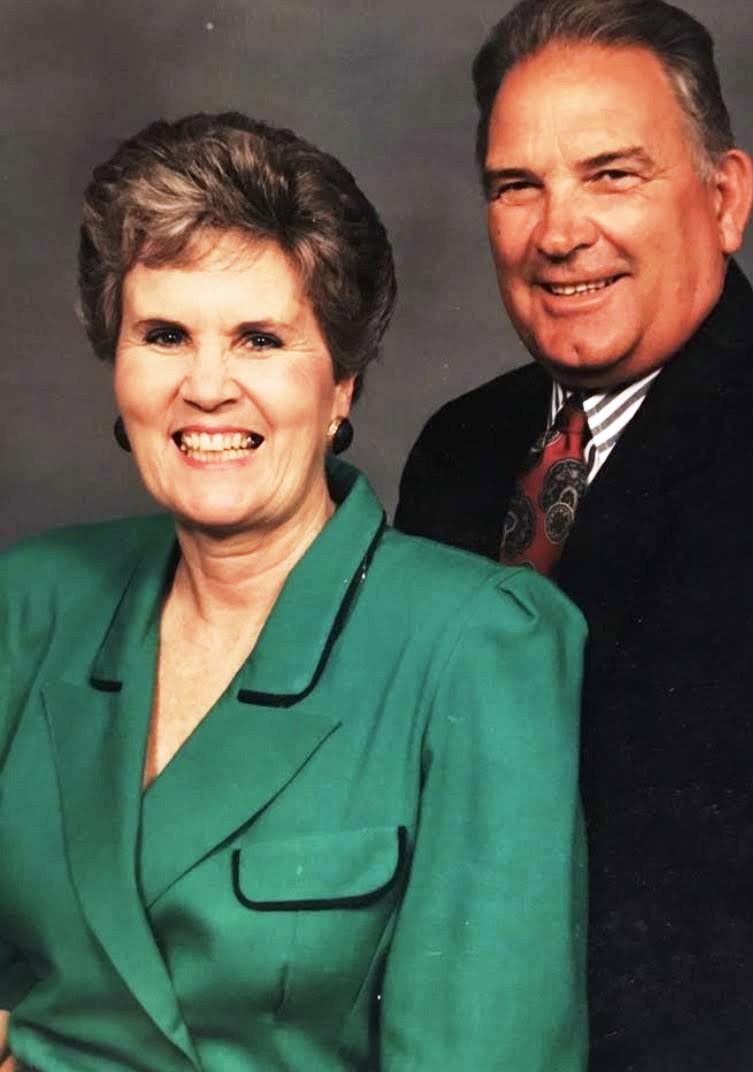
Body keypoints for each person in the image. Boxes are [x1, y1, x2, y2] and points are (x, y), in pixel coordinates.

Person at [0, 111, 587, 1071]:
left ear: (341, 386)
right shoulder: (29, 604)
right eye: (164, 335)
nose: (206, 386)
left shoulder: (481, 646)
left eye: (260, 339)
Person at [396, 1, 753, 1068]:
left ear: (725, 199)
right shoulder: (459, 448)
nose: (557, 234)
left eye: (611, 175)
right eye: (518, 185)